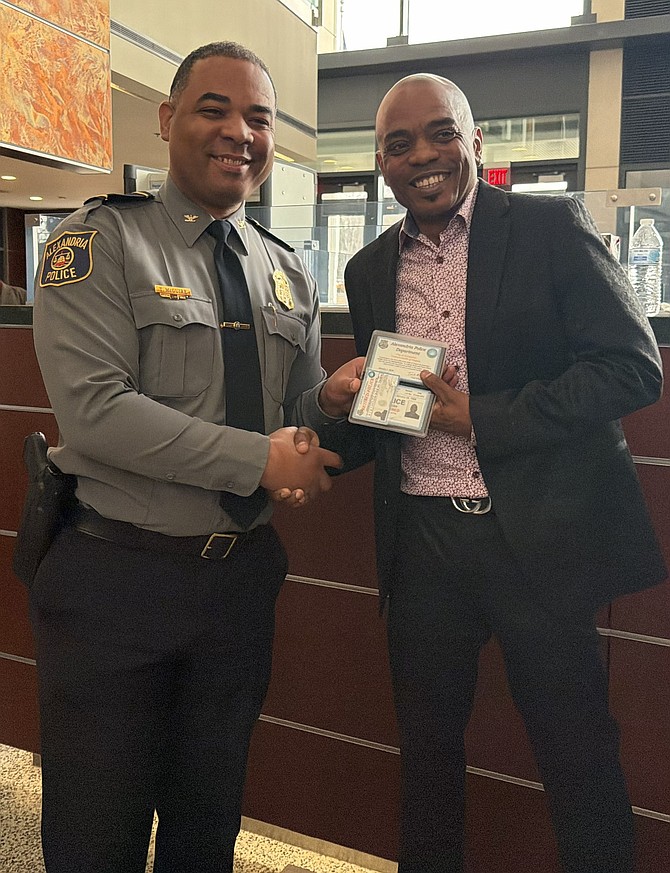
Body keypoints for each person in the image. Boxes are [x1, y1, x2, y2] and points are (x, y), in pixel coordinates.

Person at [318, 74, 667, 873]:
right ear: (380, 164)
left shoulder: (548, 227)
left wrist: (483, 418)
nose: (423, 156)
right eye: (398, 145)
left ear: (477, 143)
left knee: (577, 751)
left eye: (441, 133)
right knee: (428, 755)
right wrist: (331, 419)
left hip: (536, 541)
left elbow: (630, 367)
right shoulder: (370, 268)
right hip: (424, 546)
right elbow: (396, 409)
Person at [30, 42, 361, 873]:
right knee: (94, 832)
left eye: (259, 118)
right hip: (117, 583)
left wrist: (324, 405)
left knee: (207, 826)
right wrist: (260, 460)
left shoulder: (287, 270)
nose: (239, 132)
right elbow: (98, 413)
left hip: (238, 583)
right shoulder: (99, 243)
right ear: (169, 118)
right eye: (215, 109)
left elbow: (286, 412)